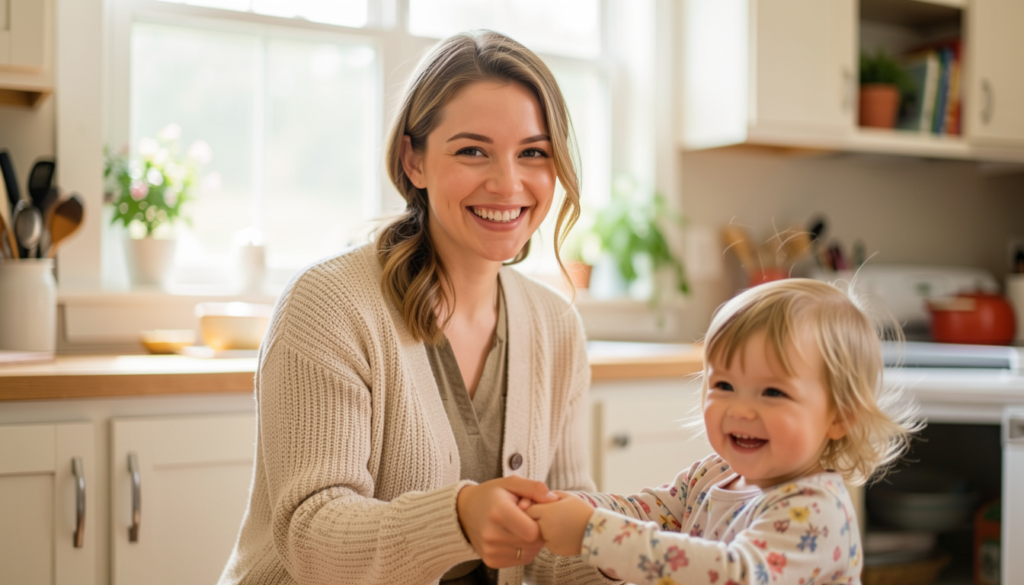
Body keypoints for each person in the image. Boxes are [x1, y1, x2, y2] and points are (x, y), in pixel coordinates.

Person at [217, 30, 617, 585]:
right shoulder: (330, 307)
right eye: (472, 151)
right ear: (414, 161)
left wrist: (647, 554)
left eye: (533, 153)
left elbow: (561, 537)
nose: (508, 183)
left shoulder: (556, 325)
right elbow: (312, 540)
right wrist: (458, 518)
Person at [524, 278, 922, 585]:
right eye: (724, 386)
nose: (741, 409)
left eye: (772, 392)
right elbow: (644, 510)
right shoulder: (712, 475)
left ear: (839, 416)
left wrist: (594, 534)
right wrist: (559, 505)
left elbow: (734, 574)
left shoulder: (817, 511)